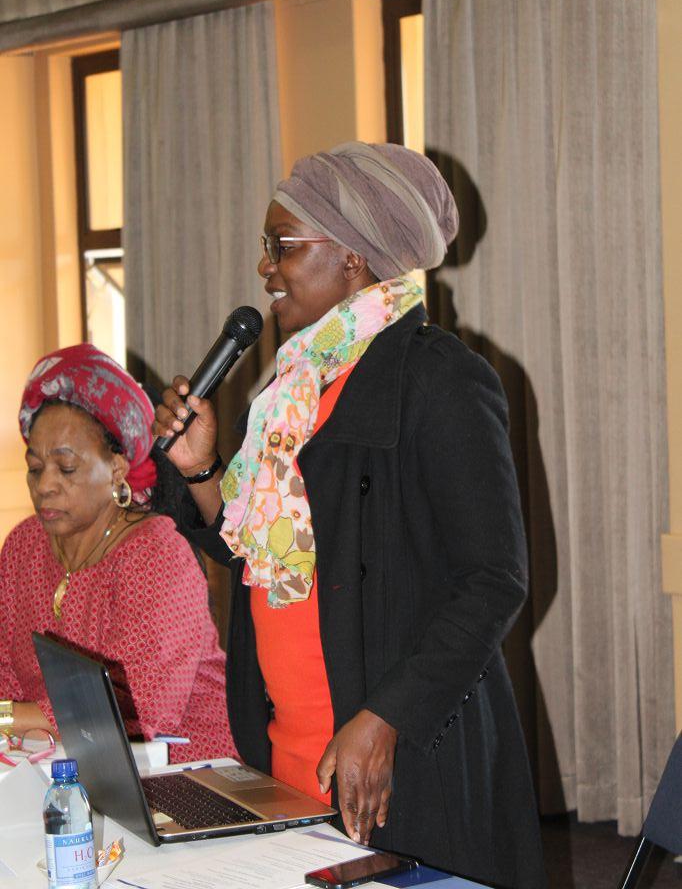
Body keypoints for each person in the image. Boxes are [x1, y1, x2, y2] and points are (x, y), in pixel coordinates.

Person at [154, 142, 546, 887]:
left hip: (397, 758)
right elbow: (261, 555)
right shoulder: (290, 393)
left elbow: (494, 579)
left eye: (282, 246)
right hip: (287, 747)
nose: (265, 267)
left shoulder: (441, 379)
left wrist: (386, 717)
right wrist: (201, 469)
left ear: (353, 258)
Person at [0, 344, 237, 764]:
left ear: (117, 469)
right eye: (35, 468)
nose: (45, 485)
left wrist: (7, 718)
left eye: (66, 468)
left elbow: (129, 712)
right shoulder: (24, 546)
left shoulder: (156, 556)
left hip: (183, 775)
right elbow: (6, 674)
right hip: (58, 765)